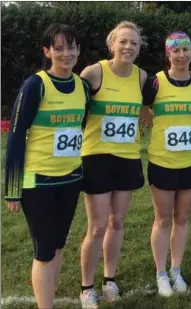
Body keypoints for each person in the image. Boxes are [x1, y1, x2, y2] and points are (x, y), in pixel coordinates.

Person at [4, 23, 90, 309]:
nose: (67, 53)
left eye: (72, 47)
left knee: (58, 246)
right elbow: (16, 137)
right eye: (59, 48)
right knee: (44, 250)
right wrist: (13, 188)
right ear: (47, 51)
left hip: (70, 179)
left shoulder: (83, 87)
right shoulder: (35, 85)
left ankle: (48, 300)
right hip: (37, 181)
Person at [79, 21, 148, 308]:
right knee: (96, 227)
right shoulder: (94, 73)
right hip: (96, 157)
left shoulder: (142, 77)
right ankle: (86, 287)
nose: (128, 47)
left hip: (128, 158)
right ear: (112, 45)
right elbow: (76, 112)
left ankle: (109, 279)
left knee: (117, 222)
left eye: (134, 43)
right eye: (123, 41)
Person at [142, 31, 191, 297]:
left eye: (185, 50)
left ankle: (176, 270)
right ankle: (161, 274)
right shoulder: (155, 82)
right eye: (176, 51)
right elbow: (143, 111)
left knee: (182, 217)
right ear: (168, 54)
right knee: (162, 218)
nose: (181, 55)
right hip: (162, 162)